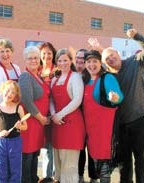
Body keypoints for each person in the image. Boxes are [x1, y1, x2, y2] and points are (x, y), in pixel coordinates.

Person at [101, 29, 144, 183]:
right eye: (107, 58)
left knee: (142, 161)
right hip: (121, 126)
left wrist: (136, 36)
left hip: (141, 121)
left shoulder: (134, 62)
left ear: (118, 54)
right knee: (124, 164)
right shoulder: (109, 77)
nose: (111, 59)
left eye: (112, 55)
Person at [82, 50, 123, 183]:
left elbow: (118, 96)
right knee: (94, 163)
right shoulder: (85, 80)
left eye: (95, 61)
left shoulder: (107, 78)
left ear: (101, 63)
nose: (91, 65)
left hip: (104, 131)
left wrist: (115, 97)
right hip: (90, 130)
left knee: (104, 167)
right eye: (88, 62)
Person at [50, 48, 85, 183]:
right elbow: (51, 99)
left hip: (72, 125)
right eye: (59, 60)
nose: (62, 63)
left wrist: (60, 115)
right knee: (59, 163)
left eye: (65, 60)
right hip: (57, 125)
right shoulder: (54, 79)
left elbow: (77, 100)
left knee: (69, 164)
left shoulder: (75, 77)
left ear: (71, 61)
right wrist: (54, 114)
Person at [18, 46, 50, 183]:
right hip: (30, 123)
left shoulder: (39, 76)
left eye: (36, 58)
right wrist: (41, 117)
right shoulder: (25, 76)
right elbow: (26, 101)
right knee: (27, 157)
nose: (33, 60)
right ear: (25, 61)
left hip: (38, 125)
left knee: (34, 156)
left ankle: (33, 179)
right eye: (30, 58)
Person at [0, 38, 21, 183]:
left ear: (12, 52)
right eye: (1, 51)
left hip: (15, 112)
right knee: (0, 159)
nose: (5, 54)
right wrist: (6, 112)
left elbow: (18, 90)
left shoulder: (17, 68)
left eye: (7, 51)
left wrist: (17, 110)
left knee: (14, 163)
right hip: (3, 114)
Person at [0, 80, 28, 183]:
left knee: (15, 172)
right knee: (1, 171)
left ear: (16, 95)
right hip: (1, 143)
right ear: (2, 90)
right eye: (8, 90)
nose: (10, 94)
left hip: (15, 142)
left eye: (13, 92)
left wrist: (20, 126)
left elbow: (25, 127)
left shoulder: (18, 108)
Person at [74, 48, 99, 183]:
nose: (80, 60)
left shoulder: (90, 76)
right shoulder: (70, 73)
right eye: (78, 57)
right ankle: (79, 176)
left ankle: (94, 177)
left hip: (91, 119)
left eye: (83, 58)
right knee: (80, 149)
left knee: (92, 149)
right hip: (76, 119)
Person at [38, 42, 57, 182]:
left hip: (55, 112)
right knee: (44, 147)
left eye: (49, 53)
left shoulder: (57, 70)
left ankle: (53, 175)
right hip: (39, 114)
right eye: (44, 53)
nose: (46, 56)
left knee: (53, 146)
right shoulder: (36, 70)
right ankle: (46, 175)